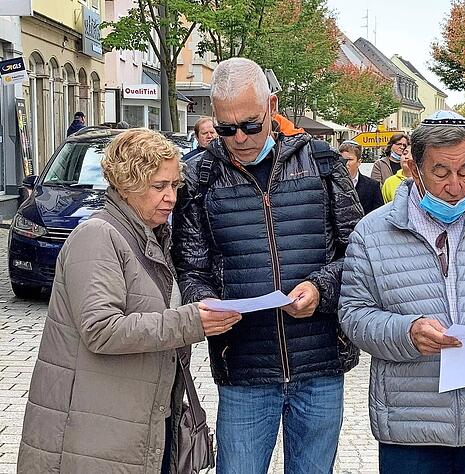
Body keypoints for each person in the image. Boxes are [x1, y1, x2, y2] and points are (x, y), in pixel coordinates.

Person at [171, 58, 362, 473]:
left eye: (251, 125)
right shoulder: (198, 177)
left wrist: (321, 288)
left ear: (271, 106)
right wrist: (204, 304)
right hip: (244, 366)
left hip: (320, 363)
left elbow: (359, 255)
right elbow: (190, 268)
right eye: (226, 128)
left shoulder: (323, 164)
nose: (238, 137)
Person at [18, 128, 242, 473]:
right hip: (92, 433)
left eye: (174, 186)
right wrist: (191, 321)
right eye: (159, 186)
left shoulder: (150, 237)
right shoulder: (98, 236)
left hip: (129, 423)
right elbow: (101, 329)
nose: (171, 197)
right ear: (127, 184)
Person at [339, 111, 465, 474]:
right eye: (441, 172)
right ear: (414, 168)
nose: (455, 185)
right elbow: (353, 314)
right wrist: (406, 332)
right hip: (410, 424)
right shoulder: (372, 232)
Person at [340, 140, 383, 214]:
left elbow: (378, 215)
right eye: (342, 159)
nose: (345, 163)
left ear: (359, 162)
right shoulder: (330, 184)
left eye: (350, 159)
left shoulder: (372, 186)